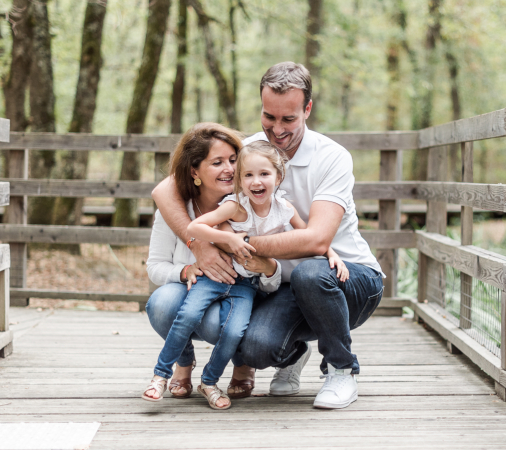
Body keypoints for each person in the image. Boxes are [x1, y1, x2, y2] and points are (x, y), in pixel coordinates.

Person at [150, 62, 385, 409]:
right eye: (268, 117)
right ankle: (291, 355)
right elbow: (165, 189)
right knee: (250, 346)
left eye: (288, 119)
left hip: (346, 277)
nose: (277, 129)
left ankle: (340, 369)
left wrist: (234, 244)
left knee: (310, 271)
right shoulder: (249, 151)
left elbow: (315, 242)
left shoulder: (332, 158)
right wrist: (198, 243)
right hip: (281, 285)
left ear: (307, 109)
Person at [144, 123, 276, 402]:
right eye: (217, 163)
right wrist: (185, 270)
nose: (229, 169)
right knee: (161, 302)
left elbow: (277, 273)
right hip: (195, 290)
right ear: (195, 172)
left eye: (233, 161)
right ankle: (183, 363)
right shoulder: (175, 210)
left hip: (241, 294)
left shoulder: (255, 206)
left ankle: (241, 364)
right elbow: (154, 267)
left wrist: (266, 268)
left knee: (221, 321)